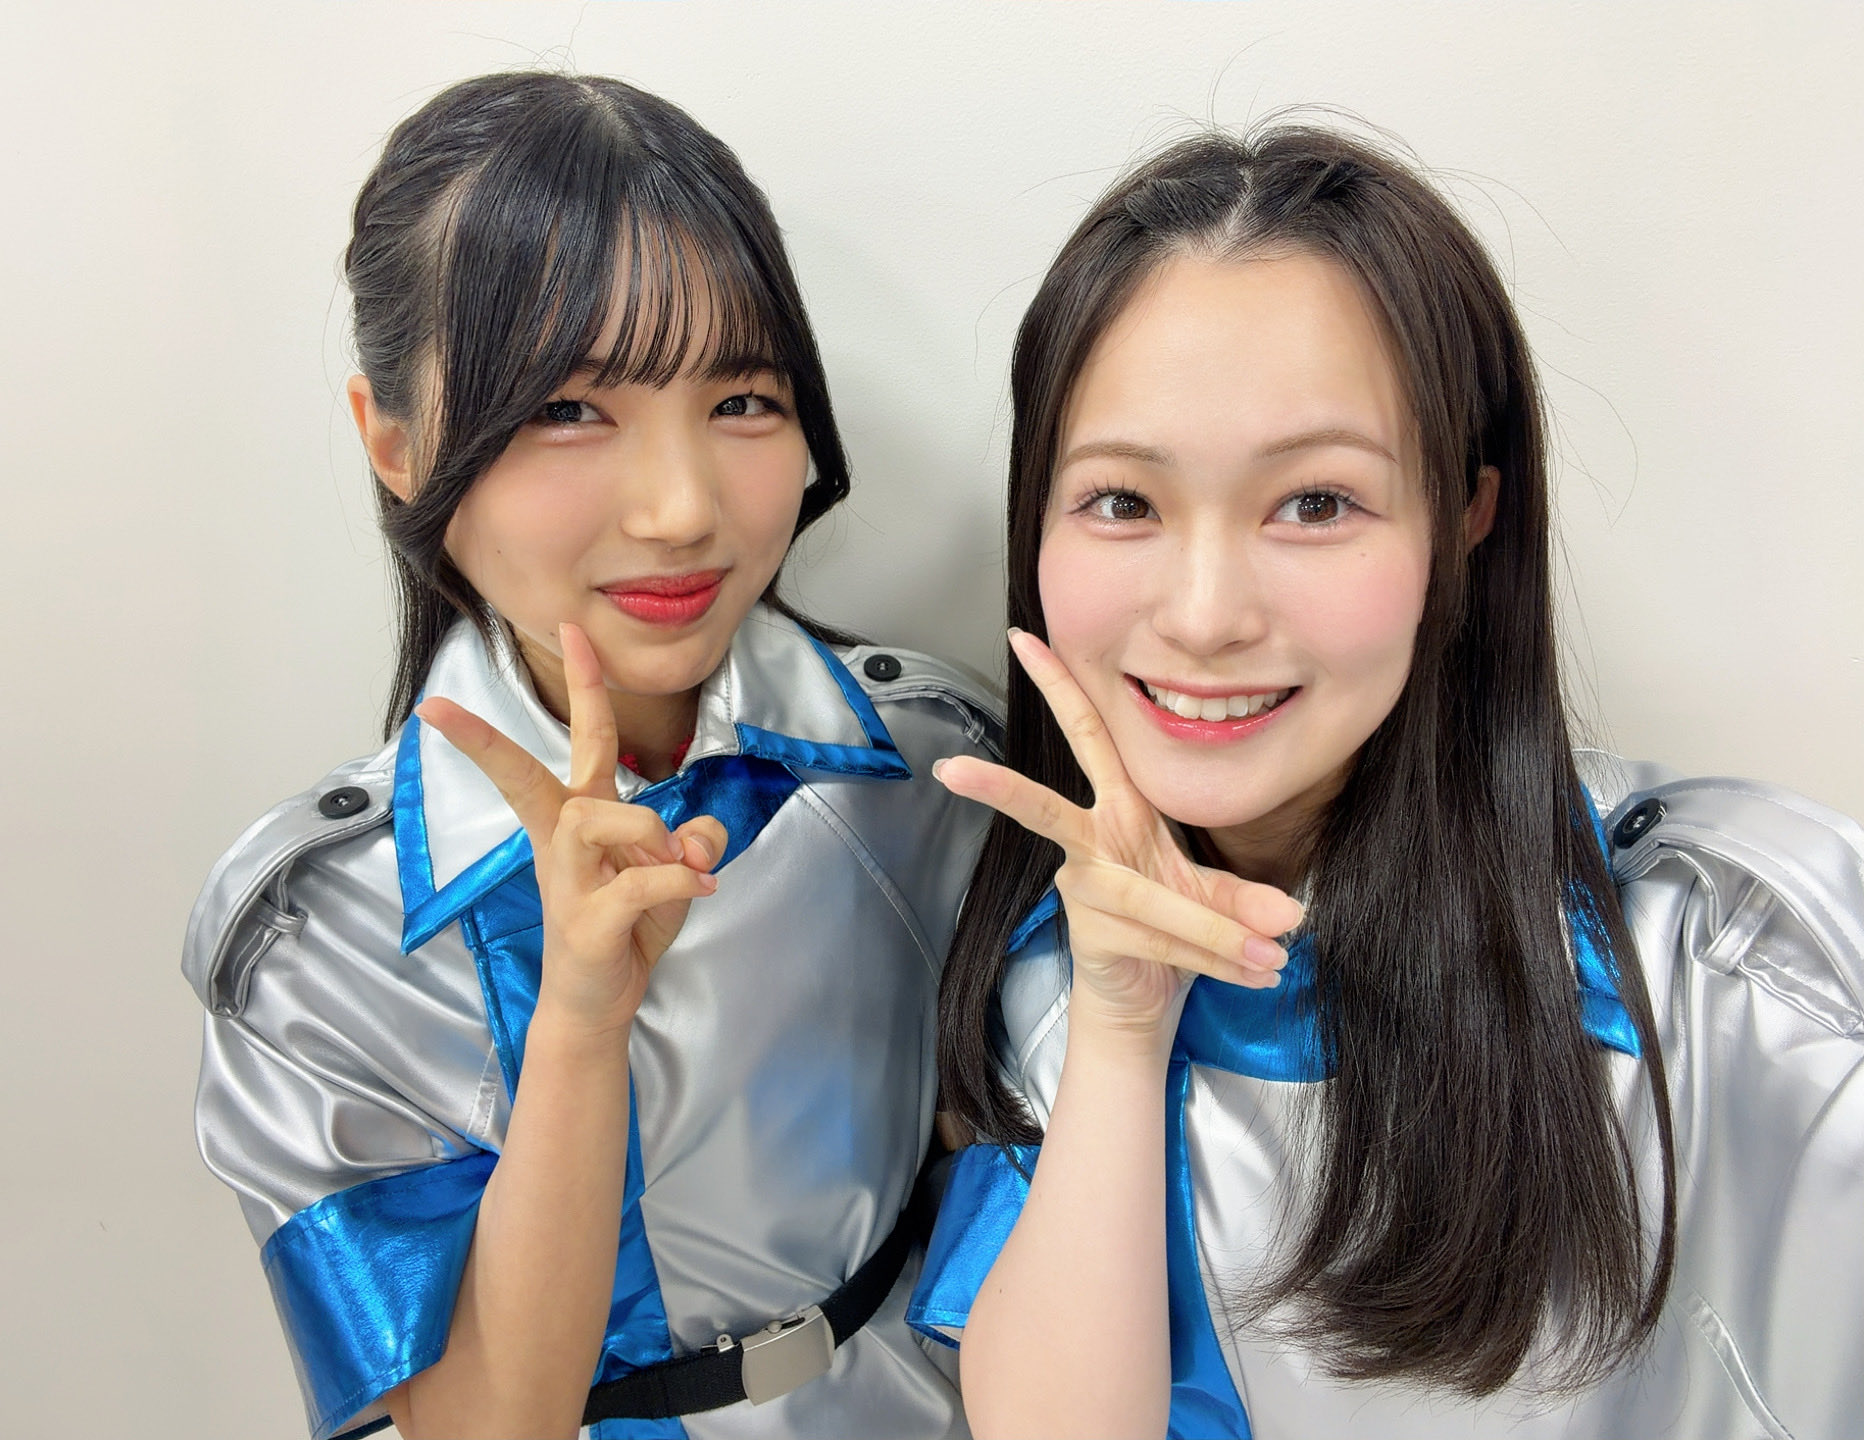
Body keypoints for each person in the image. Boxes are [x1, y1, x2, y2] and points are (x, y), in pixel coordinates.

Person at [912, 127, 1864, 1439]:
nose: (1203, 616)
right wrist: (1122, 1030)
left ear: (1465, 516)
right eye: (1123, 502)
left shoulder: (1734, 959)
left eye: (1315, 503)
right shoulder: (1038, 970)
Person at [182, 72, 997, 1440]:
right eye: (567, 408)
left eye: (744, 399)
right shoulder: (317, 936)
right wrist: (576, 1023)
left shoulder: (938, 766)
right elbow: (480, 1424)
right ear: (394, 440)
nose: (680, 508)